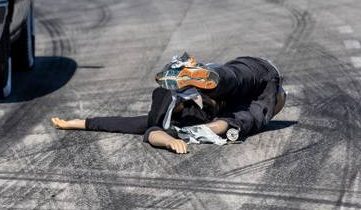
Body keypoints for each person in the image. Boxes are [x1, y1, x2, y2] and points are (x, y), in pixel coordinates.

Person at [52, 54, 287, 154]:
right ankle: (221, 119)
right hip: (261, 86)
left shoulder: (161, 122)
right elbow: (118, 123)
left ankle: (205, 79)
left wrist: (169, 141)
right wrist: (77, 123)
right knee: (241, 108)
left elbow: (146, 132)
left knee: (232, 87)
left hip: (257, 76)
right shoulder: (171, 122)